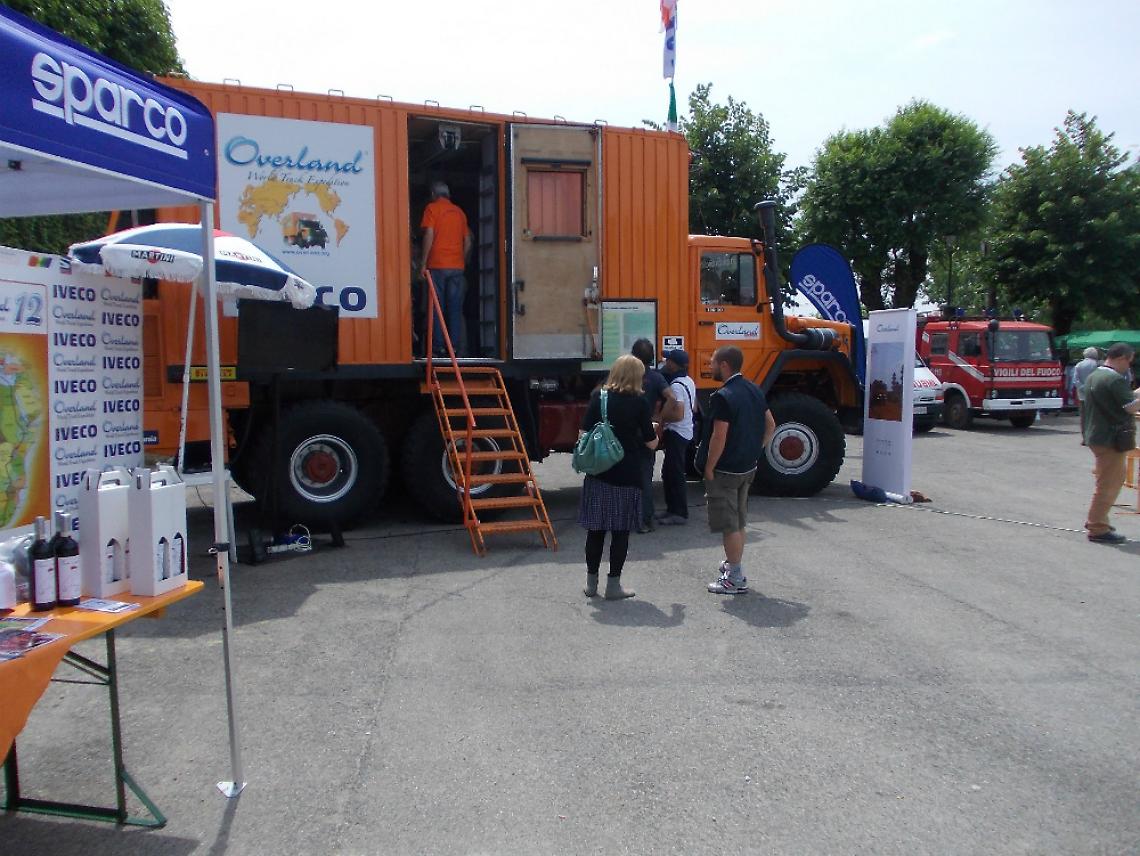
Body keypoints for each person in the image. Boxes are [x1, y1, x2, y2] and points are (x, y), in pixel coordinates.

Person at [578, 354, 659, 599]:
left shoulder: (598, 398)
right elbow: (651, 443)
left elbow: (582, 434)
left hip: (599, 473)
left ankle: (591, 584)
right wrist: (655, 430)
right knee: (620, 532)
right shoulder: (640, 402)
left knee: (596, 531)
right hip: (627, 473)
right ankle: (613, 586)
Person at [696, 346, 776, 594]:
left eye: (712, 363)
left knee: (729, 524)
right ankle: (733, 566)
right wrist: (755, 449)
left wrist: (709, 468)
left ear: (724, 365)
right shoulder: (754, 388)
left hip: (726, 471)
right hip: (747, 467)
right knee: (739, 520)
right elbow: (771, 424)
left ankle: (736, 577)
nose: (710, 367)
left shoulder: (723, 396)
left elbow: (719, 437)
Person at [1082, 342, 1140, 544]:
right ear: (1122, 358)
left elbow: (1121, 399)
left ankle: (1098, 521)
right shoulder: (1114, 379)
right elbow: (1130, 407)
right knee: (1109, 484)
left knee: (1106, 481)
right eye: (1129, 362)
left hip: (1097, 435)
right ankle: (1097, 527)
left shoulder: (1096, 375)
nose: (1129, 367)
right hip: (1110, 439)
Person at [630, 338, 680, 533]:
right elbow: (672, 398)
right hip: (646, 431)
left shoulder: (626, 376)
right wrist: (659, 417)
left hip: (627, 431)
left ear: (633, 355)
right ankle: (645, 519)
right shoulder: (656, 377)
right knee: (645, 476)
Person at [419, 181, 472, 356]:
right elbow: (468, 241)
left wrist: (423, 263)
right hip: (456, 267)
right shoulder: (459, 212)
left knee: (437, 307)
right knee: (455, 308)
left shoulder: (432, 209)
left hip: (438, 265)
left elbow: (429, 234)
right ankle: (454, 347)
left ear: (434, 194)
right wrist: (461, 261)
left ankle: (439, 347)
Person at [656, 349, 697, 525]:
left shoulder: (676, 386)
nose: (666, 362)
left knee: (675, 473)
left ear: (674, 364)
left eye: (669, 360)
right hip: (686, 431)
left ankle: (679, 512)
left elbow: (679, 414)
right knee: (669, 472)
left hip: (677, 432)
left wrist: (660, 418)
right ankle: (671, 509)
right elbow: (693, 409)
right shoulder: (689, 381)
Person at [1071, 347, 1100, 444]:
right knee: (1094, 416)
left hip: (1082, 395)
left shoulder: (1079, 365)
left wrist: (1082, 388)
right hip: (1094, 394)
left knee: (1083, 417)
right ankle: (1093, 437)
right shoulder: (1097, 365)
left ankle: (1085, 438)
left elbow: (1075, 380)